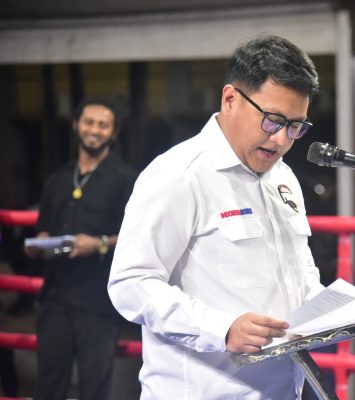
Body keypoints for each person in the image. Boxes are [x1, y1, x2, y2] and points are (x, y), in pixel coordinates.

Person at [108, 34, 323, 399]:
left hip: (284, 390)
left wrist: (327, 310)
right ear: (230, 99)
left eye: (295, 126)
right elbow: (130, 283)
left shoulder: (283, 177)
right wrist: (221, 329)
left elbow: (298, 272)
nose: (281, 140)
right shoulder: (180, 174)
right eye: (272, 120)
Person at [25, 98, 137, 400]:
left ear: (113, 132)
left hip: (98, 301)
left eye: (103, 125)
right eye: (89, 122)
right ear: (76, 125)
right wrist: (41, 244)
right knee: (48, 387)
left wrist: (98, 243)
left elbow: (136, 237)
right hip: (55, 298)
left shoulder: (126, 179)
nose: (94, 130)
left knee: (94, 389)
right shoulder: (58, 179)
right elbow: (44, 228)